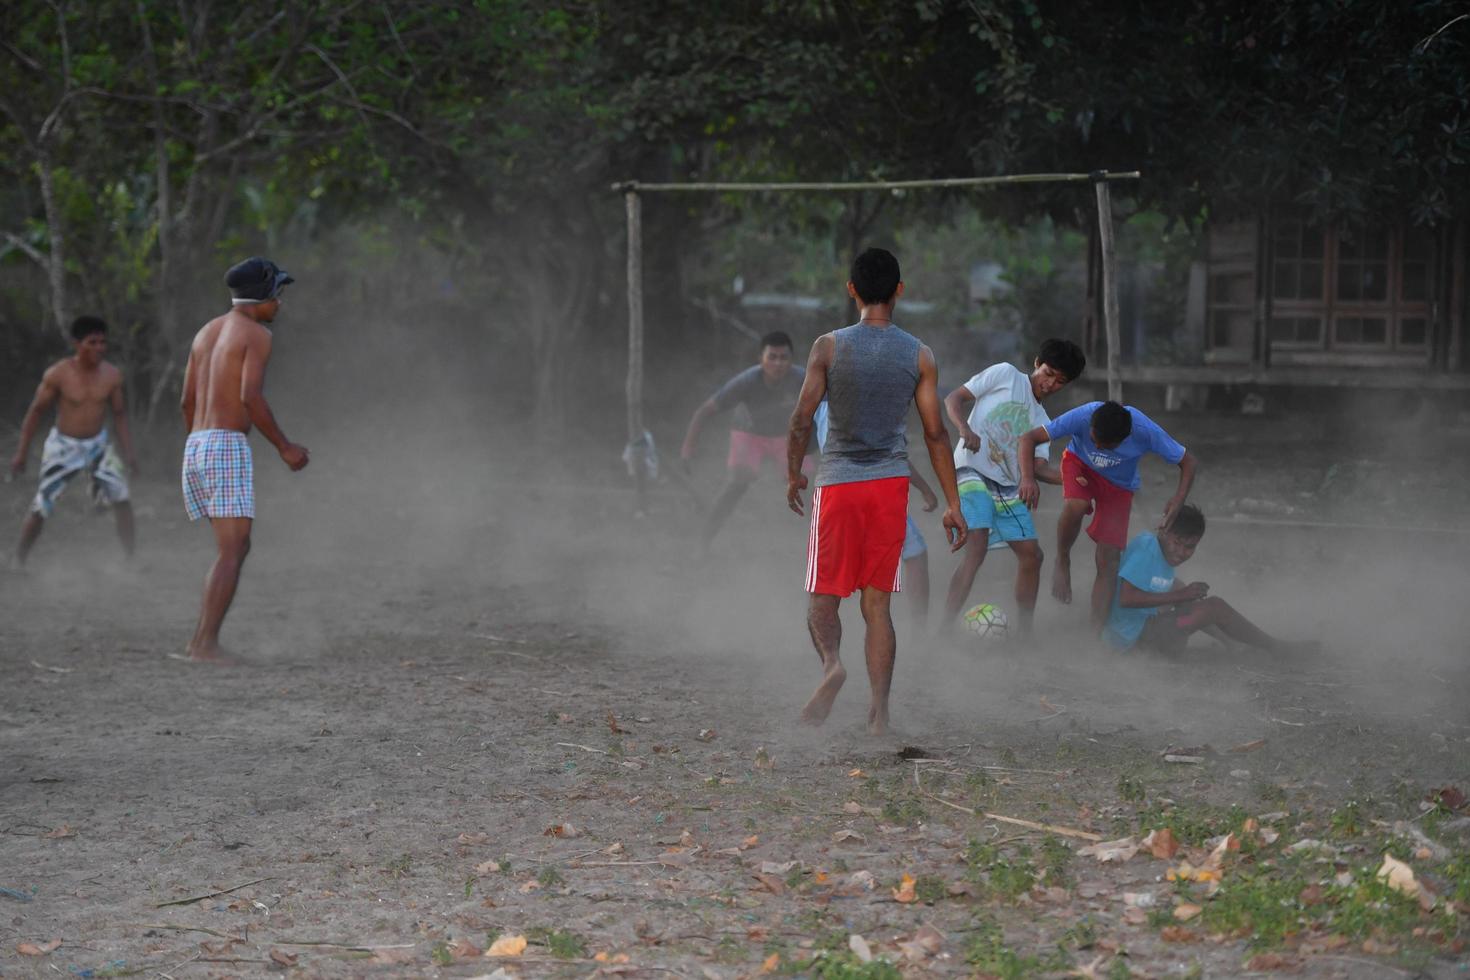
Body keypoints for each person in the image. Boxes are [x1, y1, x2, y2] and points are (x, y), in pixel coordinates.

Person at [787, 248, 966, 735]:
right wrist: (952, 503)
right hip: (888, 487)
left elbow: (802, 417)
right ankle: (880, 713)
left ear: (852, 291)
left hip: (839, 485)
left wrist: (792, 474)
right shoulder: (918, 354)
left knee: (824, 599)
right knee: (878, 606)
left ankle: (831, 666)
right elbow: (935, 434)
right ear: (899, 291)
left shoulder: (828, 347)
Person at [178, 257, 310, 663]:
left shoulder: (206, 332)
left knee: (235, 547)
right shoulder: (255, 333)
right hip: (224, 444)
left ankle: (201, 640)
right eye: (278, 294)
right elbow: (249, 397)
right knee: (232, 550)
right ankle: (204, 645)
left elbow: (187, 401)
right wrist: (285, 447)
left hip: (197, 443)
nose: (280, 304)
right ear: (262, 294)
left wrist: (201, 443)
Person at [941, 339, 1086, 638]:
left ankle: (1025, 634)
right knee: (977, 547)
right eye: (1048, 373)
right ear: (1036, 363)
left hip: (1007, 487)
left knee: (1033, 555)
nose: (1049, 384)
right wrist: (964, 429)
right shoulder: (1005, 374)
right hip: (971, 470)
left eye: (1060, 382)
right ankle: (943, 629)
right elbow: (953, 399)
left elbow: (1038, 468)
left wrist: (1076, 479)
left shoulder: (1043, 421)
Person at [1018, 400, 1196, 631]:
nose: (1098, 448)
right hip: (1079, 466)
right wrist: (1027, 478)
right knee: (1077, 504)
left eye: (1105, 445)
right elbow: (1027, 438)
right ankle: (1062, 558)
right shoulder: (1083, 415)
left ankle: (1096, 633)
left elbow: (1188, 461)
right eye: (1094, 440)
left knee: (1109, 559)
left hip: (1119, 485)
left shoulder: (1144, 431)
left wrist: (1178, 499)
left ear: (1125, 438)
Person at [9, 316, 137, 567]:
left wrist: (129, 454)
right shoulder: (58, 374)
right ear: (77, 344)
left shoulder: (111, 375)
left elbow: (120, 416)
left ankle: (130, 558)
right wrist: (21, 454)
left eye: (103, 342)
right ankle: (18, 559)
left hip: (99, 445)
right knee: (44, 502)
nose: (100, 348)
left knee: (121, 498)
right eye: (93, 342)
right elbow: (35, 413)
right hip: (64, 446)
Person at [1104, 504, 1315, 654]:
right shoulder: (1146, 547)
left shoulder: (1159, 551)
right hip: (1133, 641)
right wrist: (1181, 595)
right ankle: (1275, 648)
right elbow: (1126, 598)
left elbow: (1176, 593)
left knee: (1181, 589)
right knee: (1213, 606)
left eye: (1190, 547)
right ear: (1164, 531)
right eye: (1177, 542)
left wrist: (1183, 594)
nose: (1181, 552)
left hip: (1141, 635)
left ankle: (1230, 643)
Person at [815, 400, 938, 630]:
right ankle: (918, 633)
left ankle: (827, 641)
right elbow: (891, 453)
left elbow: (800, 429)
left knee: (833, 566)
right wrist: (925, 489)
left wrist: (794, 473)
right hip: (872, 489)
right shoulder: (862, 403)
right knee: (914, 551)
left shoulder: (820, 402)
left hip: (835, 491)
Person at [681, 332, 805, 551]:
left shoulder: (802, 380)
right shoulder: (747, 381)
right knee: (737, 484)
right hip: (748, 434)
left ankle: (818, 549)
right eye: (772, 357)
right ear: (761, 359)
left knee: (807, 487)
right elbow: (703, 412)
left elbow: (833, 408)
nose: (778, 363)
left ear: (791, 360)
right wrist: (688, 449)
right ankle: (703, 543)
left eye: (783, 358)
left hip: (786, 437)